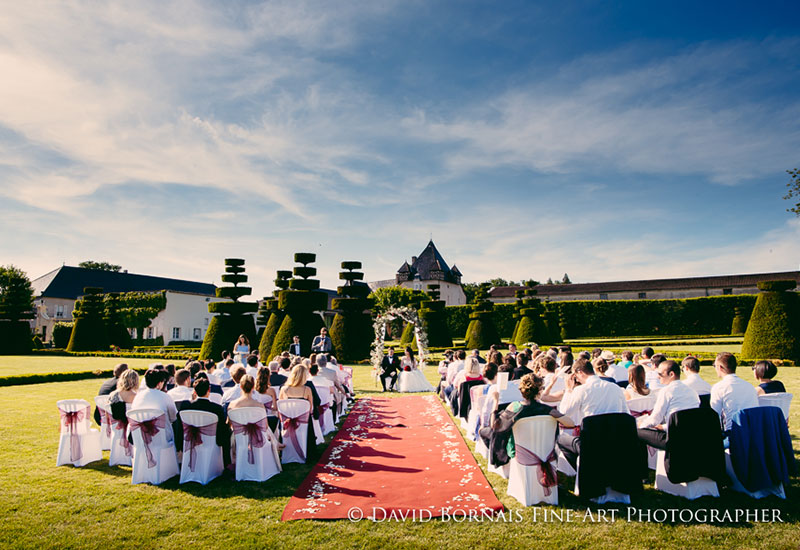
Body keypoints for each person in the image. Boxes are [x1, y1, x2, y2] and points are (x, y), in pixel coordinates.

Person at [480, 374, 574, 465]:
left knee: (490, 433)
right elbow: (570, 423)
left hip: (521, 452)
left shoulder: (514, 407)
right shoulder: (548, 410)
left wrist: (496, 401)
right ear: (539, 391)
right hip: (544, 450)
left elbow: (495, 426)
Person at [556, 358, 629, 469]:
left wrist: (568, 390)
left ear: (579, 372)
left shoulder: (581, 390)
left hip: (591, 441)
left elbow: (564, 412)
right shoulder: (615, 387)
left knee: (560, 439)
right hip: (614, 438)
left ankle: (582, 468)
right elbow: (626, 413)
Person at [636, 360, 700, 450]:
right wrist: (663, 426)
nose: (658, 377)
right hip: (691, 435)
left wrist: (640, 425)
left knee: (637, 432)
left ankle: (642, 464)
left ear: (671, 374)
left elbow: (655, 419)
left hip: (673, 438)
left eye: (660, 374)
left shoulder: (667, 391)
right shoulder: (692, 391)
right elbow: (688, 419)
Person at [176, 377, 232, 469]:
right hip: (211, 441)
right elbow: (222, 429)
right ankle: (226, 463)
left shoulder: (185, 406)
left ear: (194, 391)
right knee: (227, 430)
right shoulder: (216, 408)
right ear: (208, 390)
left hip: (191, 439)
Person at [709, 352, 759, 432]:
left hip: (733, 433)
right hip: (753, 433)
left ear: (720, 367)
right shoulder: (750, 386)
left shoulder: (719, 387)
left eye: (714, 366)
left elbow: (714, 415)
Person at [131, 368, 179, 442]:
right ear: (159, 383)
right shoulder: (165, 396)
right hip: (163, 438)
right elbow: (173, 418)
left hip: (141, 436)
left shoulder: (138, 396)